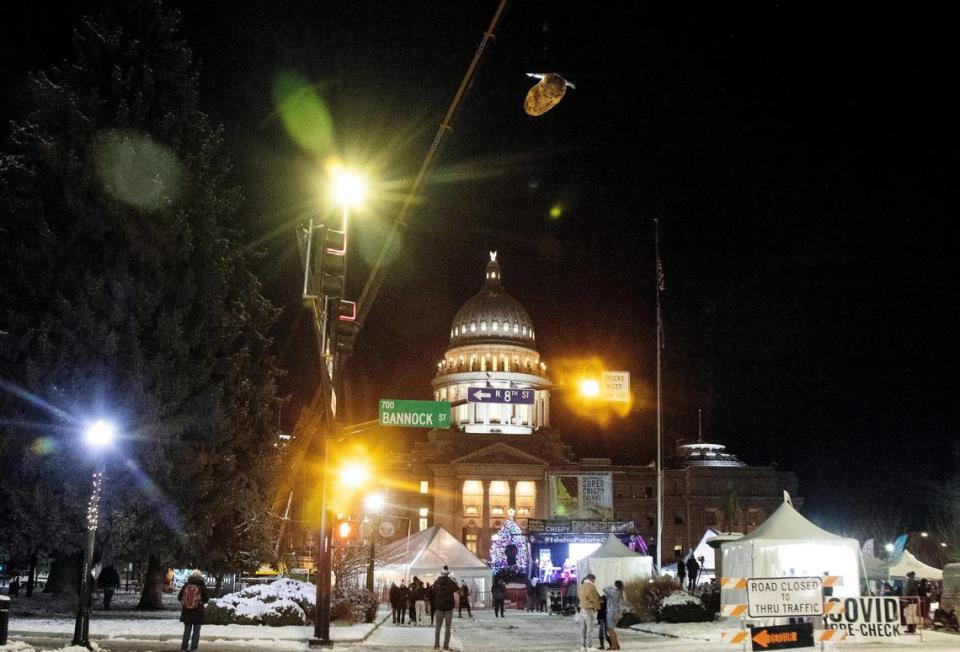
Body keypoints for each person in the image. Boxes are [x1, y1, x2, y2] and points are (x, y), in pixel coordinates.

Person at [178, 570, 209, 652]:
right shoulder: (201, 586)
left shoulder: (186, 585)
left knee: (187, 630)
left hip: (186, 612)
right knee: (196, 631)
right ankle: (194, 648)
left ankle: (184, 648)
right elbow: (206, 599)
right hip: (198, 612)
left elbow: (179, 597)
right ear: (200, 577)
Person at [432, 566, 459, 651]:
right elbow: (458, 589)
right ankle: (445, 646)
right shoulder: (451, 582)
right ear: (448, 574)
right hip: (448, 608)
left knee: (438, 628)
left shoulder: (436, 582)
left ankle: (436, 645)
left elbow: (432, 593)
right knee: (448, 628)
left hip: (439, 608)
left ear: (441, 573)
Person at [578, 573, 601, 652]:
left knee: (583, 628)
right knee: (589, 628)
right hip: (588, 608)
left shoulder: (583, 585)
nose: (594, 581)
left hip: (582, 608)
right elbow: (590, 595)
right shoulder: (590, 585)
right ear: (591, 579)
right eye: (594, 580)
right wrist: (594, 601)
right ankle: (590, 646)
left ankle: (583, 646)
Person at [602, 580, 624, 650]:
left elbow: (604, 589)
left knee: (610, 630)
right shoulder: (619, 592)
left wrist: (611, 586)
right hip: (616, 613)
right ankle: (617, 645)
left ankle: (613, 646)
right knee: (613, 630)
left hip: (611, 612)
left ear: (615, 585)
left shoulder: (613, 591)